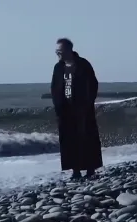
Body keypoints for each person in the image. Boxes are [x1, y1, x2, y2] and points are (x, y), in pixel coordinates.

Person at [50, 38, 103, 179]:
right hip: (65, 111)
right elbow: (54, 88)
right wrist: (58, 105)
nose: (58, 54)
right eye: (56, 51)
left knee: (86, 138)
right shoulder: (58, 67)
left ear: (69, 50)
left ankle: (91, 169)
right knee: (69, 140)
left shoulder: (83, 65)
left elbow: (93, 84)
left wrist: (87, 103)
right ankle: (75, 170)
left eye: (60, 51)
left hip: (83, 110)